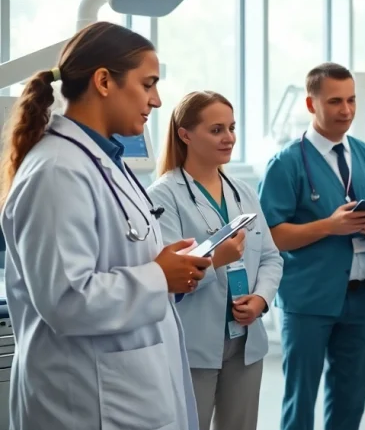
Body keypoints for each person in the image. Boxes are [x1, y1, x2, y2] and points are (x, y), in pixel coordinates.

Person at [0, 22, 211, 430]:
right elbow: (66, 300)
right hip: (86, 399)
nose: (156, 99)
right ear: (103, 81)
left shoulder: (103, 161)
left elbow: (119, 257)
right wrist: (158, 276)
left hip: (127, 386)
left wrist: (169, 266)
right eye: (147, 84)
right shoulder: (57, 170)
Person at [257, 63, 365, 430]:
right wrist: (330, 226)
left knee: (351, 400)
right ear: (311, 103)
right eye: (334, 101)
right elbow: (271, 236)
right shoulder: (286, 164)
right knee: (300, 399)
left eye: (351, 100)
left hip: (361, 297)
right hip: (308, 300)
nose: (346, 110)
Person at [148, 91, 284, 430]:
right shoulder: (164, 195)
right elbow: (170, 278)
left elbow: (270, 257)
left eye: (232, 128)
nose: (229, 138)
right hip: (194, 341)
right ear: (185, 134)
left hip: (245, 336)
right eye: (216, 129)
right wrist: (216, 259)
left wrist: (262, 299)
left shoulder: (244, 192)